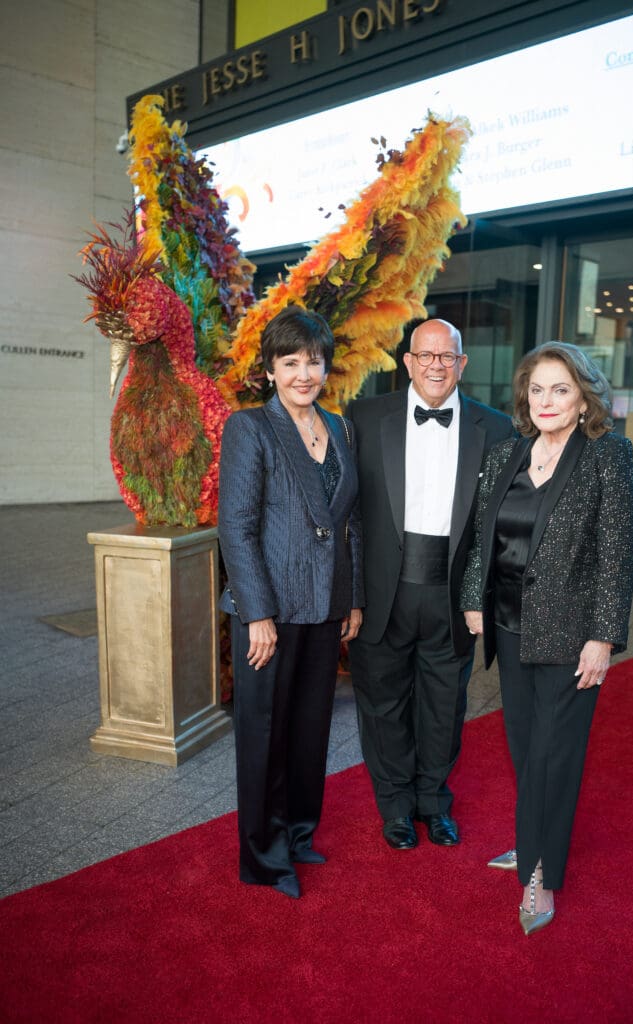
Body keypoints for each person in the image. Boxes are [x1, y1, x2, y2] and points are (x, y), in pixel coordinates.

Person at [460, 341, 633, 935]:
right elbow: (485, 534)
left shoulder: (606, 454)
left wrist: (604, 637)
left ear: (584, 395)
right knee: (522, 748)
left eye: (560, 389)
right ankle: (529, 842)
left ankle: (539, 876)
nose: (547, 400)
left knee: (553, 759)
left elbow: (617, 556)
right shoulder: (508, 452)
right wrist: (472, 599)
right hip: (508, 626)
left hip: (571, 638)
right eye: (537, 389)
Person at [347, 319, 514, 850]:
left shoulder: (498, 429)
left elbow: (499, 525)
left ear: (462, 364)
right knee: (383, 704)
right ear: (408, 361)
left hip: (452, 592)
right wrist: (349, 596)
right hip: (383, 591)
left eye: (448, 356)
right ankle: (395, 807)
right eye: (426, 355)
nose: (436, 365)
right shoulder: (365, 417)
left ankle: (433, 802)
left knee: (445, 706)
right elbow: (350, 516)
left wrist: (481, 596)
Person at [217, 306, 364, 899]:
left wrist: (351, 599)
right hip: (270, 611)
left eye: (314, 361)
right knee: (264, 732)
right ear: (271, 370)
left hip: (326, 606)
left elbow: (348, 522)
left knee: (309, 729)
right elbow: (237, 526)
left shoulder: (341, 428)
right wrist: (257, 614)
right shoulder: (249, 428)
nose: (305, 373)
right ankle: (263, 855)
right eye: (291, 362)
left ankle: (299, 832)